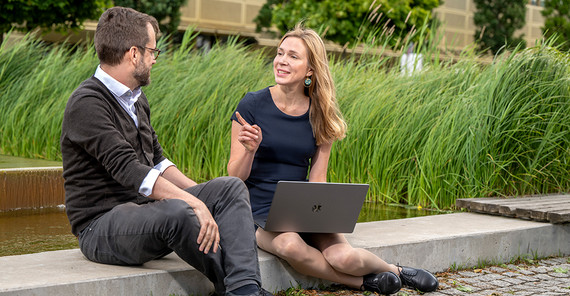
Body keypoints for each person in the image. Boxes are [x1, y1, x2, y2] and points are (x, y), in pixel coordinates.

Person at [60, 7, 270, 296]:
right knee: (179, 210)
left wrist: (203, 195)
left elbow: (157, 161)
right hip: (102, 227)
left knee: (229, 188)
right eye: (152, 51)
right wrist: (194, 204)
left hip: (147, 213)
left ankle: (245, 288)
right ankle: (239, 289)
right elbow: (130, 170)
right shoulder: (87, 103)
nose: (154, 59)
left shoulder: (136, 99)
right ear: (134, 54)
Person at [227, 24, 439, 294]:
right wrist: (250, 149)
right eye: (280, 53)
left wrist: (319, 215)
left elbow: (317, 177)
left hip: (299, 205)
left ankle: (397, 271)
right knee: (290, 245)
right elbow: (234, 177)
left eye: (293, 56)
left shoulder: (320, 113)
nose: (281, 60)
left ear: (310, 70)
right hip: (256, 209)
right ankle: (364, 282)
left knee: (343, 257)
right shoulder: (252, 104)